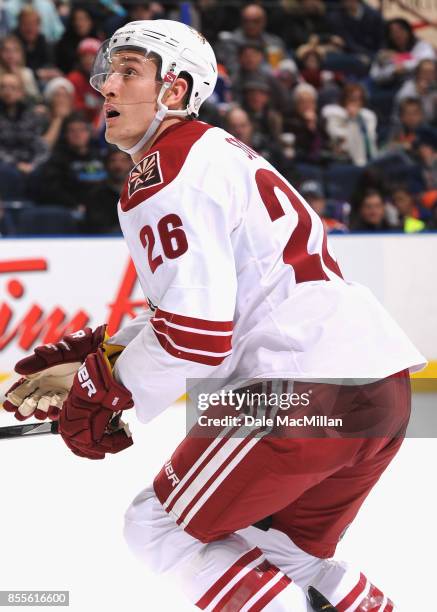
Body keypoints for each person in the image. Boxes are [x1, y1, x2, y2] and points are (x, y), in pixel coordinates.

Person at [5, 19, 426, 612]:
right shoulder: (214, 151)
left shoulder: (165, 169)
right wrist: (104, 357)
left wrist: (103, 390)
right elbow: (207, 313)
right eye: (109, 72)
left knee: (157, 526)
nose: (106, 87)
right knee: (280, 550)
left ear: (174, 90)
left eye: (129, 72)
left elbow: (197, 339)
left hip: (299, 387)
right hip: (381, 386)